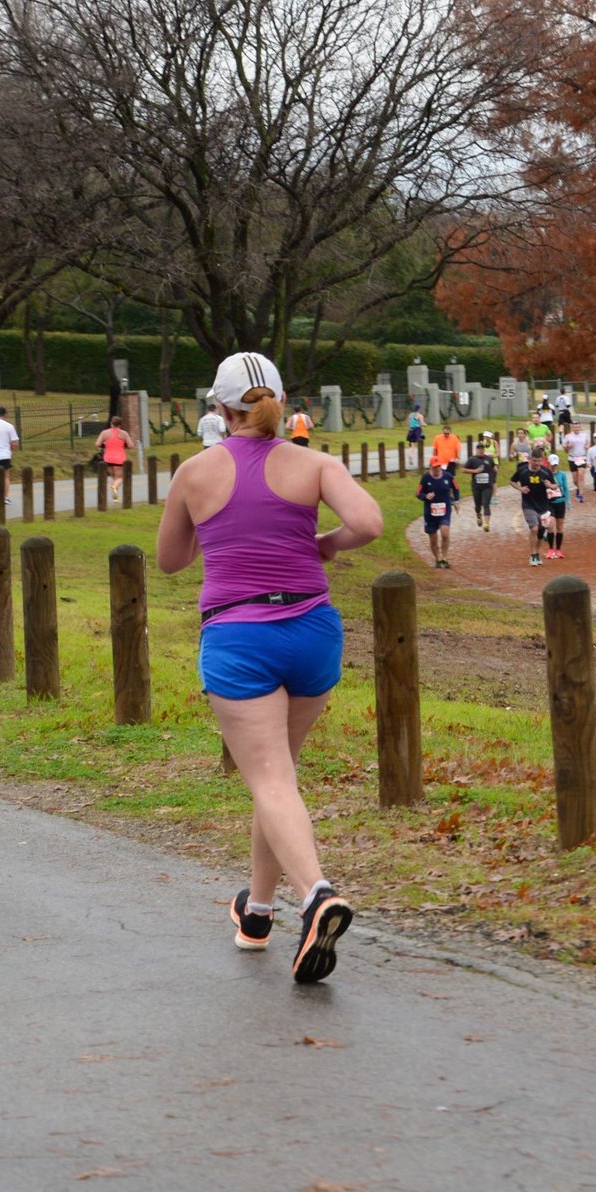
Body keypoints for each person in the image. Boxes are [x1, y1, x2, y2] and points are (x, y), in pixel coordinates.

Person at [157, 351, 380, 984]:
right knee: (275, 778)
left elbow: (170, 560)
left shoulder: (195, 471)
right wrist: (324, 544)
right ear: (280, 401)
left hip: (239, 634)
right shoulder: (314, 463)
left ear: (221, 411)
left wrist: (214, 524)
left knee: (272, 781)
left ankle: (316, 896)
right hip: (312, 630)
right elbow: (367, 521)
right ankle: (257, 913)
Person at [515, 444, 562, 568]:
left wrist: (550, 486)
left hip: (543, 505)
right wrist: (520, 488)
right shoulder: (523, 470)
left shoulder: (545, 472)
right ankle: (532, 555)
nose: (536, 463)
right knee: (534, 528)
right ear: (530, 459)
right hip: (528, 504)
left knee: (541, 531)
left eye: (539, 461)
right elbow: (512, 481)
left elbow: (555, 486)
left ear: (542, 460)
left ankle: (537, 554)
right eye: (534, 461)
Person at [418, 457, 458, 567]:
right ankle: (437, 559)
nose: (437, 469)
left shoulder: (448, 476)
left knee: (445, 534)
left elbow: (456, 487)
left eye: (438, 466)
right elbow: (418, 493)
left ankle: (444, 558)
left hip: (444, 510)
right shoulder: (426, 478)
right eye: (435, 467)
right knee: (433, 539)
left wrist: (456, 500)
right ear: (430, 467)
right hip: (430, 513)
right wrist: (425, 496)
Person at [98, 414, 133, 505]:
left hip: (108, 458)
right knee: (120, 478)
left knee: (114, 478)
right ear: (120, 425)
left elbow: (97, 444)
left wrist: (105, 445)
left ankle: (115, 498)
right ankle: (114, 488)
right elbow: (131, 445)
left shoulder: (104, 433)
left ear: (111, 423)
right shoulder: (123, 434)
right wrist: (123, 445)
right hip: (119, 459)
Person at [464, 444, 498, 531]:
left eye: (482, 449)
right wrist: (475, 471)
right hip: (476, 486)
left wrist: (495, 468)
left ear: (484, 450)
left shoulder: (488, 459)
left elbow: (494, 466)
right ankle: (478, 515)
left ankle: (486, 524)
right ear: (476, 450)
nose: (480, 450)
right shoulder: (472, 459)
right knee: (478, 505)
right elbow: (464, 470)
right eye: (479, 449)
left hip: (487, 486)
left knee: (486, 504)